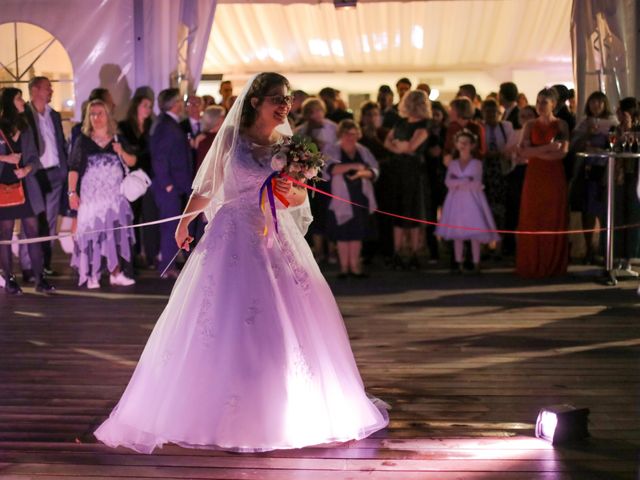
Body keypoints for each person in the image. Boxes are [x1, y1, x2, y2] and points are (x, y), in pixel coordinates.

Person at [94, 71, 388, 454]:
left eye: (287, 98)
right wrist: (184, 221)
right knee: (219, 318)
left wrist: (290, 191)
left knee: (281, 322)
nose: (285, 105)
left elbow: (299, 199)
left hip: (272, 235)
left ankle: (279, 406)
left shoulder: (288, 145)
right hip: (230, 232)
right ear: (255, 101)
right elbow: (208, 186)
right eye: (277, 99)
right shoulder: (232, 140)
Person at [67, 100, 136, 288]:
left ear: (107, 115)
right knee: (91, 235)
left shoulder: (117, 138)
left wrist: (121, 151)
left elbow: (132, 161)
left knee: (115, 235)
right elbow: (73, 168)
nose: (96, 117)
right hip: (91, 199)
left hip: (114, 198)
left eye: (100, 113)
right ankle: (92, 275)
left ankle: (116, 273)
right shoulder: (83, 140)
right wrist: (72, 193)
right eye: (92, 114)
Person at [0, 88, 55, 294]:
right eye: (18, 98)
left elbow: (34, 158)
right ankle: (10, 279)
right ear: (9, 102)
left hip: (26, 187)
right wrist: (5, 159)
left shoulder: (25, 127)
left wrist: (27, 169)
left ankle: (39, 279)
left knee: (33, 232)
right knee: (5, 234)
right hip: (3, 188)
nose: (23, 101)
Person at [516, 88, 569, 278]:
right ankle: (532, 263)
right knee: (533, 216)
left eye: (544, 102)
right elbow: (522, 152)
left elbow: (562, 152)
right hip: (535, 175)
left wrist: (535, 151)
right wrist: (547, 148)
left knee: (552, 216)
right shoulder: (529, 125)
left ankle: (552, 263)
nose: (540, 106)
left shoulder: (561, 125)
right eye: (538, 102)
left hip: (554, 176)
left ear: (553, 104)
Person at [435, 129, 499, 273]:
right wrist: (463, 181)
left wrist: (458, 181)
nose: (463, 145)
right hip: (456, 201)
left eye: (466, 142)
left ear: (472, 145)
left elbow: (476, 183)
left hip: (472, 201)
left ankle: (476, 262)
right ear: (456, 144)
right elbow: (448, 182)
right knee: (457, 233)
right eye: (460, 142)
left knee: (474, 233)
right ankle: (458, 262)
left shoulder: (477, 163)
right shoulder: (453, 163)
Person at [23, 76, 68, 277]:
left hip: (55, 173)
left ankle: (45, 264)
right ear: (35, 90)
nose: (51, 91)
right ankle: (28, 266)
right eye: (47, 88)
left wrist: (64, 168)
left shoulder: (54, 115)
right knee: (30, 221)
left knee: (50, 221)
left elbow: (59, 142)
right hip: (34, 174)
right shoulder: (24, 114)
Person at [569, 91, 618, 265]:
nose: (596, 105)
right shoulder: (583, 123)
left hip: (604, 172)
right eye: (592, 102)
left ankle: (606, 250)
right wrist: (587, 135)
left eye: (599, 102)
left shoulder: (613, 123)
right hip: (585, 171)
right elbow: (573, 145)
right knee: (586, 210)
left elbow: (617, 146)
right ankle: (589, 248)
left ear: (605, 104)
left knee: (604, 211)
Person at [149, 88, 193, 278]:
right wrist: (168, 184)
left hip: (175, 185)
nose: (183, 105)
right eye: (181, 102)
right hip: (169, 188)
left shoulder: (167, 123)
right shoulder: (166, 126)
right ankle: (167, 266)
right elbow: (160, 157)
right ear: (175, 104)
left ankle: (169, 263)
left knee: (173, 225)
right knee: (171, 226)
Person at [326, 120, 378, 278]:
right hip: (340, 197)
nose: (351, 137)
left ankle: (355, 267)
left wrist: (363, 173)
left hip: (360, 196)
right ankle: (344, 268)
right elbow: (330, 169)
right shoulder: (332, 149)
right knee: (343, 233)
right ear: (341, 134)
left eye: (354, 134)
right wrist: (354, 166)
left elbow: (373, 170)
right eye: (347, 134)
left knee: (357, 233)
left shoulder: (363, 150)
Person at [383, 89, 430, 270]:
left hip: (414, 173)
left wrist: (400, 146)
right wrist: (400, 148)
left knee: (415, 212)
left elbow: (412, 146)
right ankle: (399, 252)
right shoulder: (400, 122)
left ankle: (415, 253)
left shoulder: (425, 124)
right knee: (399, 211)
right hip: (399, 171)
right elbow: (388, 143)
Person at [295, 97, 338, 263]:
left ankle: (332, 249)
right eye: (312, 111)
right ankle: (319, 250)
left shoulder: (333, 128)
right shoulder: (301, 130)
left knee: (330, 212)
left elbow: (337, 150)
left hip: (330, 177)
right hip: (309, 178)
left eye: (319, 110)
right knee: (316, 213)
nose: (316, 115)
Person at [118, 94, 158, 270]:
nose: (148, 109)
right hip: (132, 178)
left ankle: (150, 255)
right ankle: (133, 256)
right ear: (136, 106)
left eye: (150, 106)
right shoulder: (125, 127)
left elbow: (152, 152)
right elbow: (125, 151)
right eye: (145, 105)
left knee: (149, 216)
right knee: (132, 218)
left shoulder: (153, 126)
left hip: (149, 177)